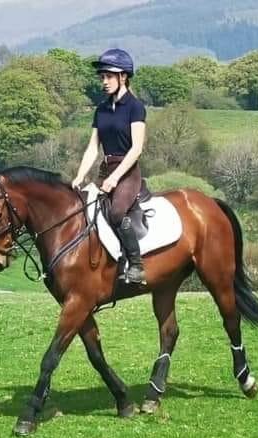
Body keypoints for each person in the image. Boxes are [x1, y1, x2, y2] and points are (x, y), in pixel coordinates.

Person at [72, 48, 148, 284]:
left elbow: (137, 149)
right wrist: (79, 176)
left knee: (116, 213)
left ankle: (136, 265)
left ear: (123, 77)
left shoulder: (135, 107)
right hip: (105, 170)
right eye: (102, 77)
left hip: (127, 172)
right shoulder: (101, 110)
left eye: (109, 76)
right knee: (82, 210)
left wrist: (115, 178)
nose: (104, 82)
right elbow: (93, 148)